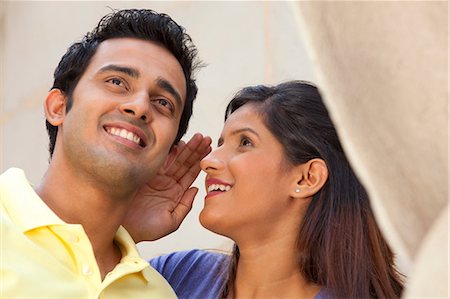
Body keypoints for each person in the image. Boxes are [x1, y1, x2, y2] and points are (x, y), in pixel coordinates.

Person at [0, 8, 212, 297]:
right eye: (117, 82)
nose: (139, 106)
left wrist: (124, 233)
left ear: (169, 154)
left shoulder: (160, 293)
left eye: (163, 102)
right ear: (58, 107)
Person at [147, 81, 405, 298]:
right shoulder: (177, 276)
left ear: (306, 178)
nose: (208, 161)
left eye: (245, 142)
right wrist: (131, 229)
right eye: (220, 143)